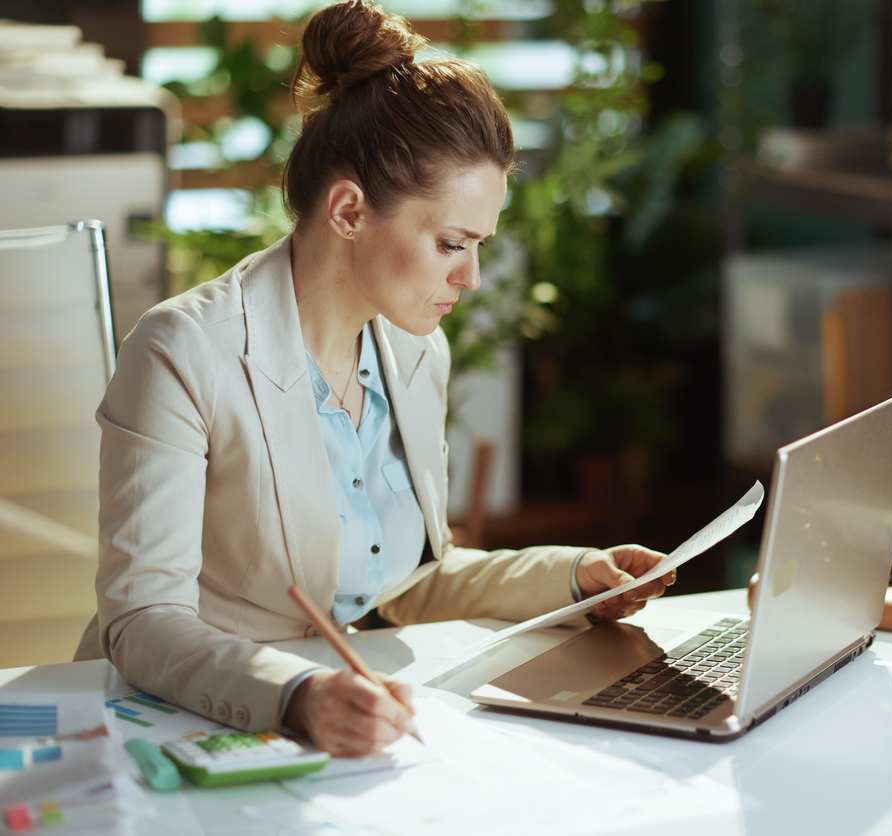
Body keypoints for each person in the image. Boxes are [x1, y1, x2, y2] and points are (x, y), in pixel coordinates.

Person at [73, 0, 674, 757]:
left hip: (339, 721)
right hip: (177, 728)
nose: (474, 275)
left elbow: (403, 582)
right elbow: (142, 620)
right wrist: (295, 694)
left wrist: (578, 577)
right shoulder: (182, 352)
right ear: (350, 211)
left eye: (479, 243)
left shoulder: (414, 349)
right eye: (453, 241)